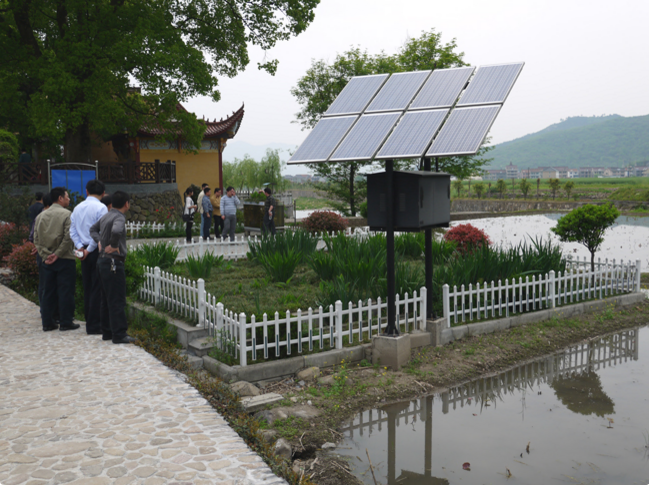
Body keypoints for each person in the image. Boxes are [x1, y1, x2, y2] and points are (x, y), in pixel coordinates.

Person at [90, 190, 135, 344]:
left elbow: (92, 229)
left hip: (101, 261)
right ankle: (119, 334)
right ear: (126, 204)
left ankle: (107, 332)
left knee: (105, 299)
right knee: (117, 299)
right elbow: (116, 230)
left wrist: (99, 242)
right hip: (113, 262)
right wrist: (114, 245)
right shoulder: (119, 217)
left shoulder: (106, 215)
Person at [34, 187, 80, 332]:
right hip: (65, 258)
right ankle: (66, 321)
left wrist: (46, 254)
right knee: (66, 290)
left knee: (48, 291)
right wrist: (58, 254)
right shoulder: (67, 215)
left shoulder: (40, 216)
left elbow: (36, 239)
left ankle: (47, 323)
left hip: (46, 260)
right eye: (67, 196)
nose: (68, 199)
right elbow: (68, 237)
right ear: (60, 198)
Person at [70, 179, 108, 335]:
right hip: (95, 250)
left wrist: (80, 248)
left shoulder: (77, 208)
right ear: (103, 193)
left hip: (82, 251)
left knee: (87, 286)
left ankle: (89, 321)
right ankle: (95, 325)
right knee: (97, 288)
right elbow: (101, 232)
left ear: (86, 191)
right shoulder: (102, 208)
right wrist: (90, 250)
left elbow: (72, 231)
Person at [32, 194, 59, 324]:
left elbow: (33, 237)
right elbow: (35, 236)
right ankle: (46, 313)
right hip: (50, 255)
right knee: (46, 285)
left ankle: (49, 313)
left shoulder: (39, 216)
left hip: (43, 254)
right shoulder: (42, 217)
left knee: (46, 285)